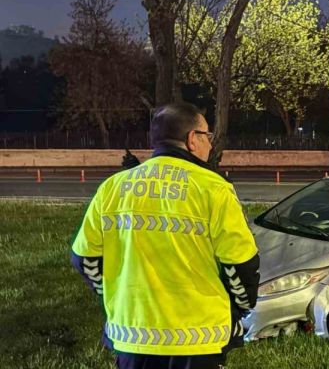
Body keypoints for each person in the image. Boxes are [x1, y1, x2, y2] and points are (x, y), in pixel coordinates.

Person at [70, 102, 259, 369]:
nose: (210, 143)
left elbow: (84, 259)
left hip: (132, 338)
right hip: (199, 340)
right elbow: (241, 264)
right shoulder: (213, 189)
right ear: (192, 139)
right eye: (207, 135)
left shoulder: (112, 188)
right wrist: (240, 307)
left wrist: (113, 292)